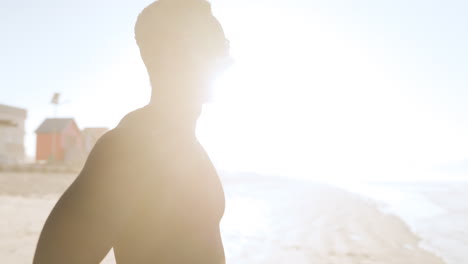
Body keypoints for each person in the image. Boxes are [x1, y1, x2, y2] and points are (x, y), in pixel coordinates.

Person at [33, 0, 231, 263]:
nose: (226, 52)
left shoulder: (186, 144)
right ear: (170, 54)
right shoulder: (130, 149)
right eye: (212, 42)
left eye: (223, 41)